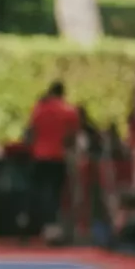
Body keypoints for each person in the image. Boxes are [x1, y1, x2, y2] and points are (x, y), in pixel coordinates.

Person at [26, 82, 80, 243]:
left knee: (38, 192)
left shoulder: (39, 109)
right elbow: (72, 137)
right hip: (58, 157)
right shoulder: (69, 111)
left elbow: (31, 132)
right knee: (56, 194)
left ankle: (36, 226)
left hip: (39, 156)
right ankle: (53, 227)